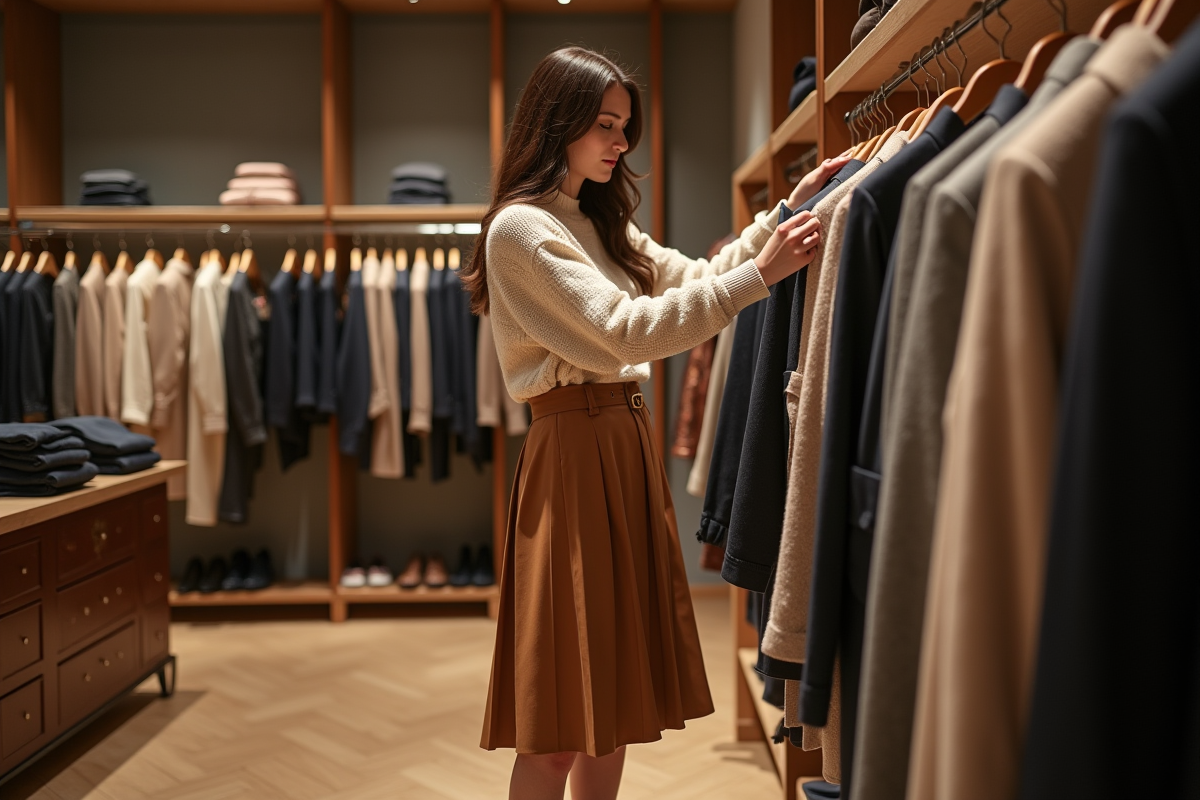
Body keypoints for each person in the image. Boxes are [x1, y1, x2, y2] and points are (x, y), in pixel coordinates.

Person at [462, 46, 848, 800]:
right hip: (573, 455)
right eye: (605, 125)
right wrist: (762, 274)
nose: (619, 143)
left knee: (615, 704)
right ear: (558, 122)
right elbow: (628, 331)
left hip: (620, 448)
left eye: (625, 127)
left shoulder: (594, 219)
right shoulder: (520, 231)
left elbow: (695, 278)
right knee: (558, 720)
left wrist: (782, 216)